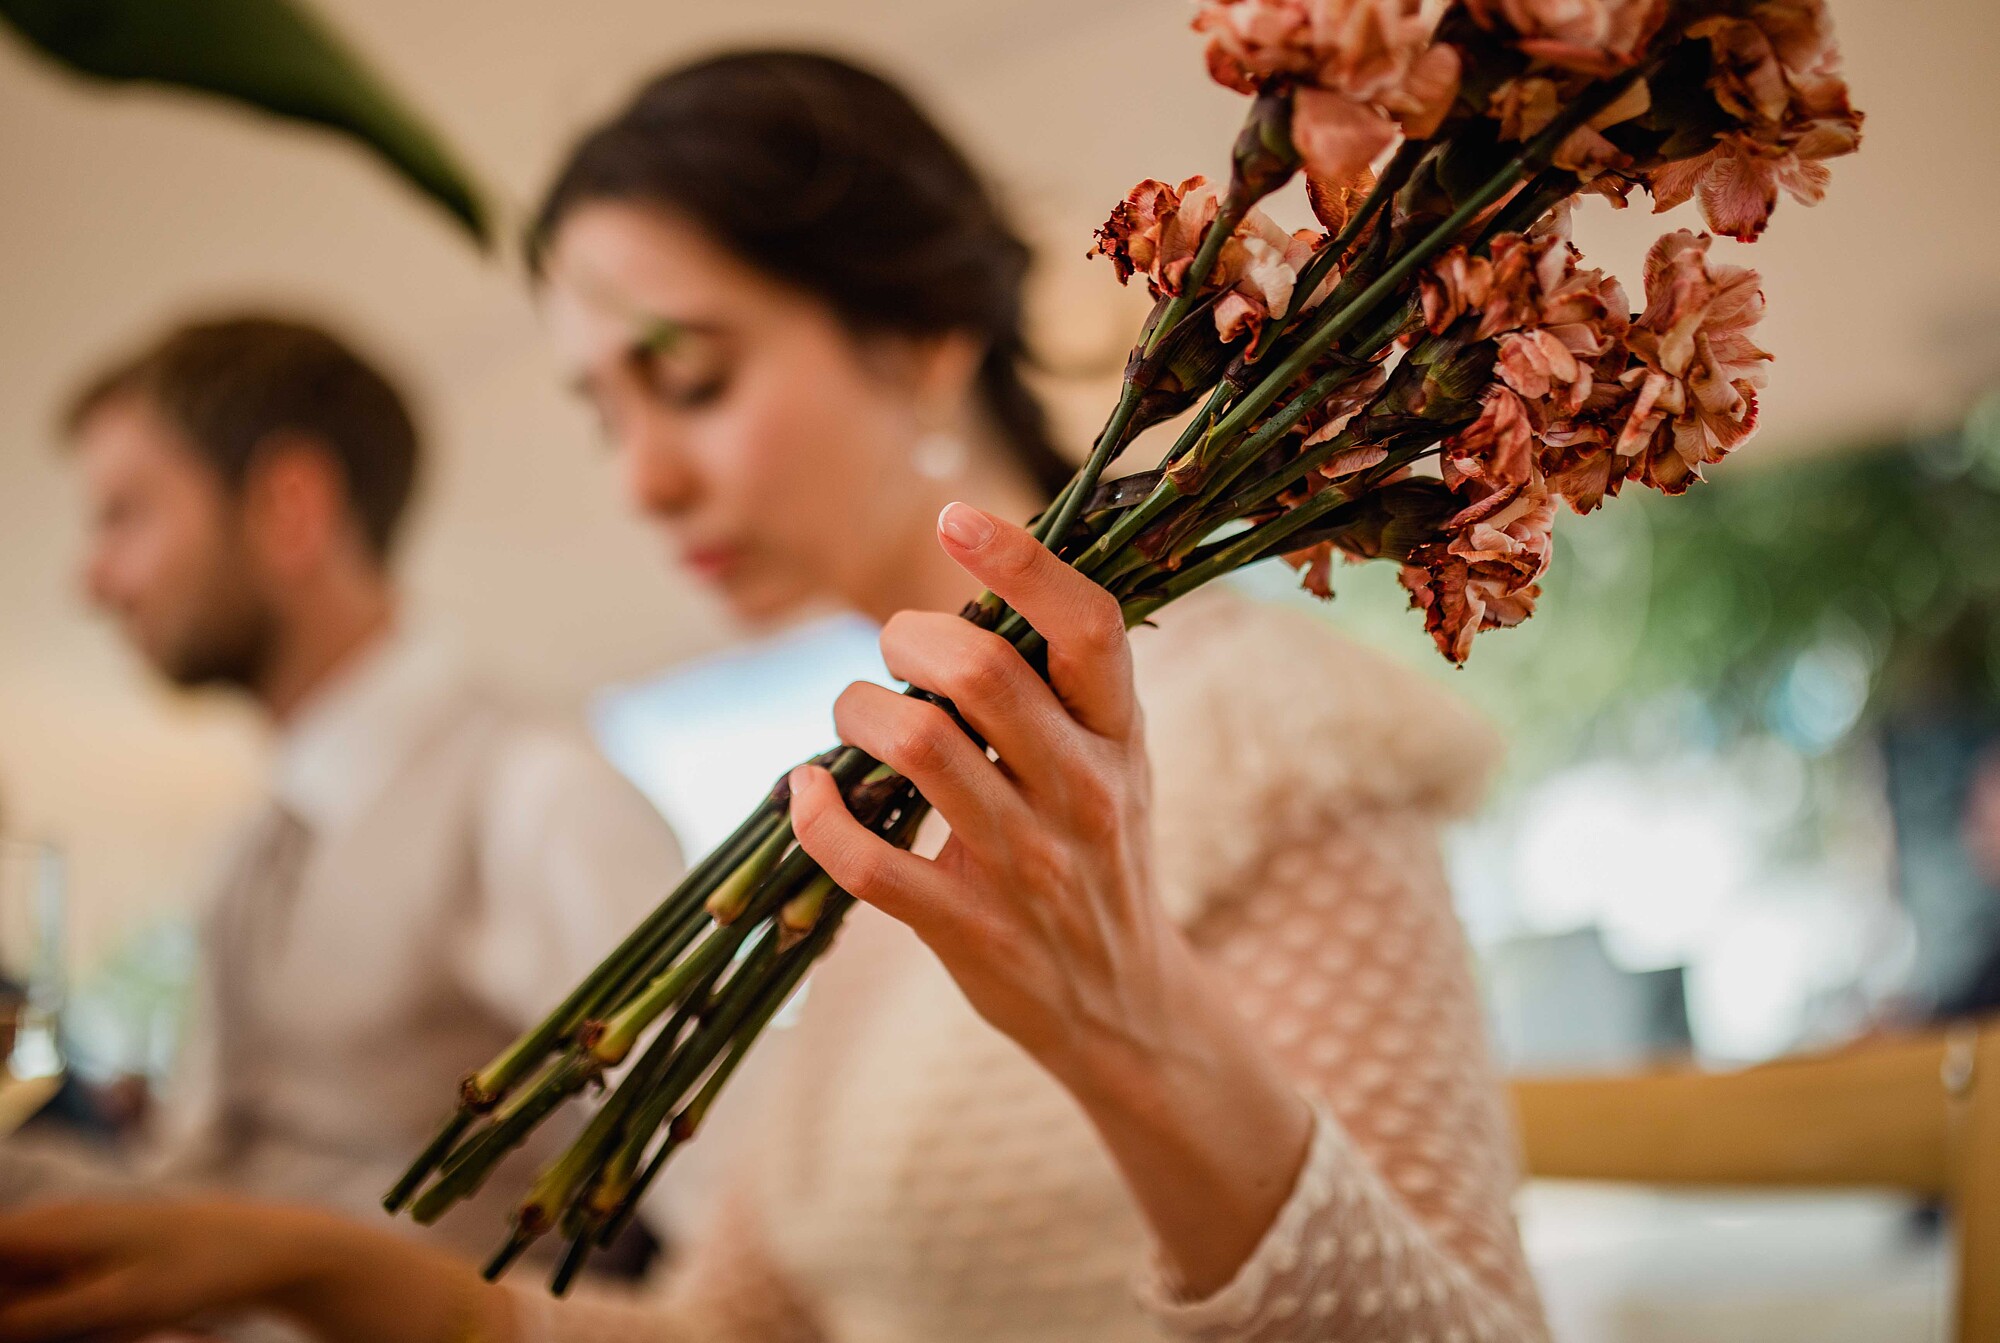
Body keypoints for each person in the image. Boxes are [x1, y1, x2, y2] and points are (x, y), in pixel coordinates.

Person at [0, 53, 1548, 1343]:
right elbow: (732, 1329)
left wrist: (1138, 1031)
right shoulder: (881, 797)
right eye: (604, 413)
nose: (641, 478)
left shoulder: (1260, 731)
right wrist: (297, 1261)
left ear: (920, 341)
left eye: (689, 380)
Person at [3, 317, 684, 1262]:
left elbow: (726, 1217)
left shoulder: (538, 795)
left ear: (290, 504)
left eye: (126, 514)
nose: (94, 580)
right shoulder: (248, 847)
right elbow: (193, 1186)